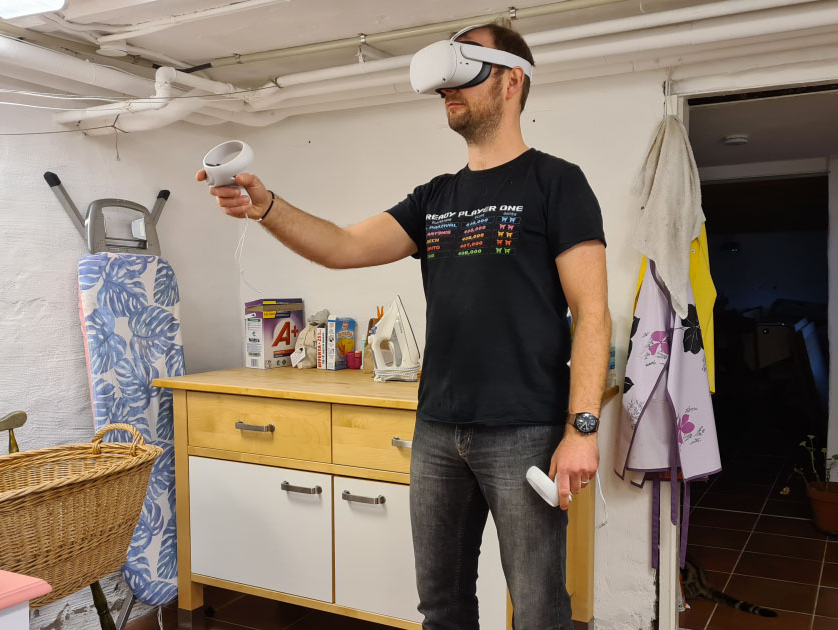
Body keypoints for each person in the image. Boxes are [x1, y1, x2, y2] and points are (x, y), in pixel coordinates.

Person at [197, 22, 609, 630]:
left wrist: (582, 431)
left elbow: (592, 313)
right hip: (438, 430)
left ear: (512, 82)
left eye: (467, 77)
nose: (450, 92)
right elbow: (341, 245)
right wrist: (266, 207)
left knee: (540, 609)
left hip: (524, 431)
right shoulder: (434, 197)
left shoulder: (557, 182)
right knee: (440, 606)